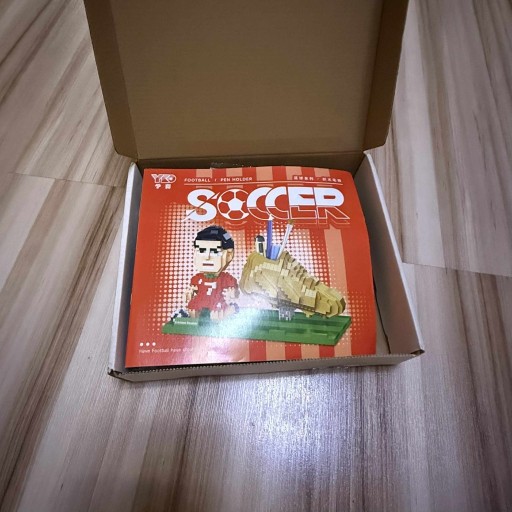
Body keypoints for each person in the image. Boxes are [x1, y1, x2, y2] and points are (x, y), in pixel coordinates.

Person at [185, 225, 239, 320]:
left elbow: (235, 293)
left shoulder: (226, 279)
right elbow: (191, 294)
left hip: (218, 304)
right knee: (192, 311)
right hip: (200, 304)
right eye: (202, 250)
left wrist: (232, 293)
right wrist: (189, 293)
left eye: (215, 251)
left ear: (229, 255)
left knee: (218, 314)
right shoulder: (197, 278)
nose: (207, 257)